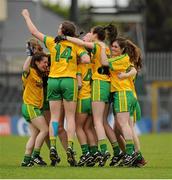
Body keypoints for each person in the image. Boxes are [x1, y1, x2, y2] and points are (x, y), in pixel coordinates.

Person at [22, 9, 90, 167]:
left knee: (53, 117)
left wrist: (26, 16)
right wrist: (77, 60)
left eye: (59, 28)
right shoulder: (75, 45)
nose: (57, 29)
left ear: (63, 31)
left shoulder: (53, 42)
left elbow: (34, 31)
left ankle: (52, 146)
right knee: (70, 118)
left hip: (53, 81)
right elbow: (86, 59)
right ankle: (70, 148)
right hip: (68, 81)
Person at [58, 26, 111, 166]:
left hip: (83, 98)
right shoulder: (92, 63)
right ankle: (95, 153)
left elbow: (80, 84)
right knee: (88, 127)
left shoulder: (79, 67)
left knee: (78, 127)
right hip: (92, 98)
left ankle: (86, 153)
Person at [98, 36, 141, 166]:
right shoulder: (124, 59)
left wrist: (101, 46)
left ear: (122, 49)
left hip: (122, 93)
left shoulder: (120, 59)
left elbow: (104, 62)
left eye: (116, 47)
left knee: (124, 125)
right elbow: (133, 69)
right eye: (112, 46)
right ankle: (134, 155)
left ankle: (132, 154)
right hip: (126, 94)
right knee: (120, 128)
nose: (112, 48)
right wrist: (128, 74)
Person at [21, 49, 49, 167]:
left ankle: (26, 160)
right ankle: (35, 155)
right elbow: (25, 69)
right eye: (44, 62)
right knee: (45, 130)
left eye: (47, 62)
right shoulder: (31, 72)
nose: (46, 64)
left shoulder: (39, 74)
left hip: (34, 107)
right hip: (30, 107)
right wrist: (30, 55)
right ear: (36, 62)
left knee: (34, 135)